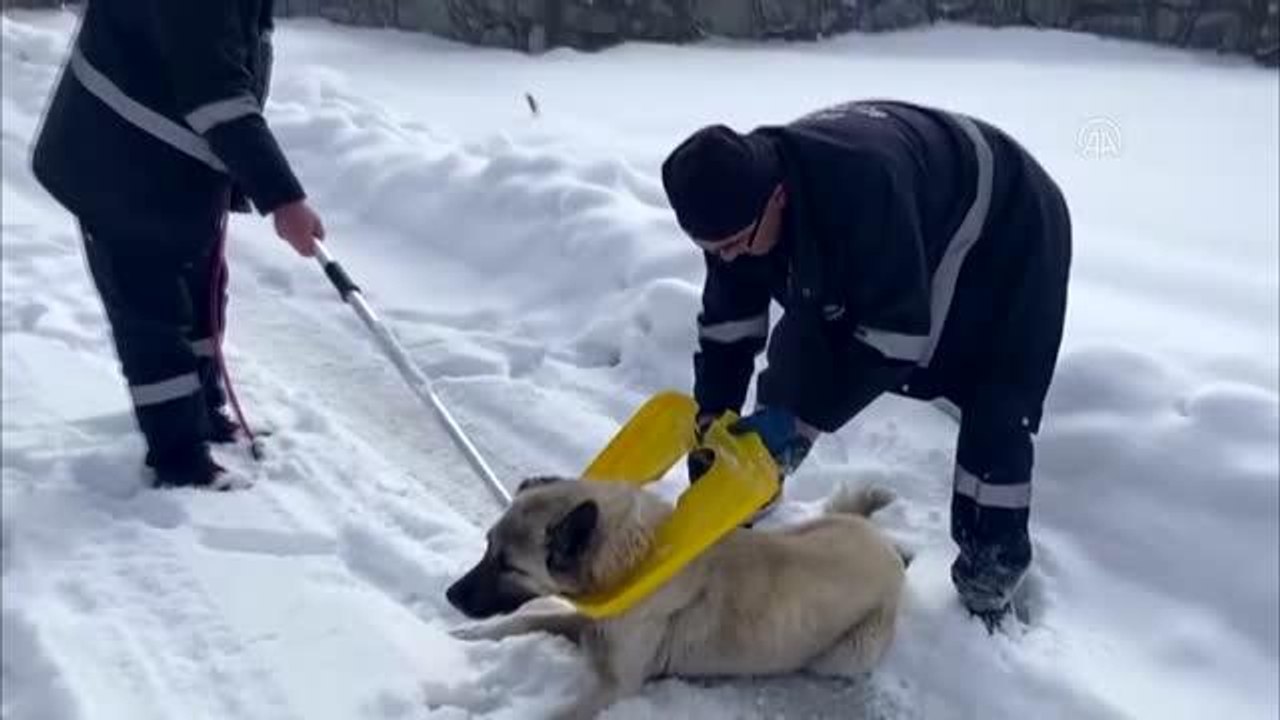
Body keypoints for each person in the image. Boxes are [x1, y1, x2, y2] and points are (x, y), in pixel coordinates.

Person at [661, 99, 1072, 629]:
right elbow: (727, 326)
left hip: (1008, 220)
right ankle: (755, 485)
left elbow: (895, 340)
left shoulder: (860, 190)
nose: (725, 259)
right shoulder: (732, 204)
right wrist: (712, 415)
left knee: (997, 396)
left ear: (778, 198)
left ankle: (988, 581)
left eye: (734, 245)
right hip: (906, 207)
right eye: (709, 249)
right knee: (804, 343)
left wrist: (796, 421)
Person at [30, 1, 325, 489]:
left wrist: (233, 179)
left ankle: (203, 413)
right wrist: (283, 198)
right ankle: (180, 460)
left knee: (203, 289)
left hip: (169, 163)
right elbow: (217, 95)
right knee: (152, 316)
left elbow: (235, 63)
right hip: (111, 163)